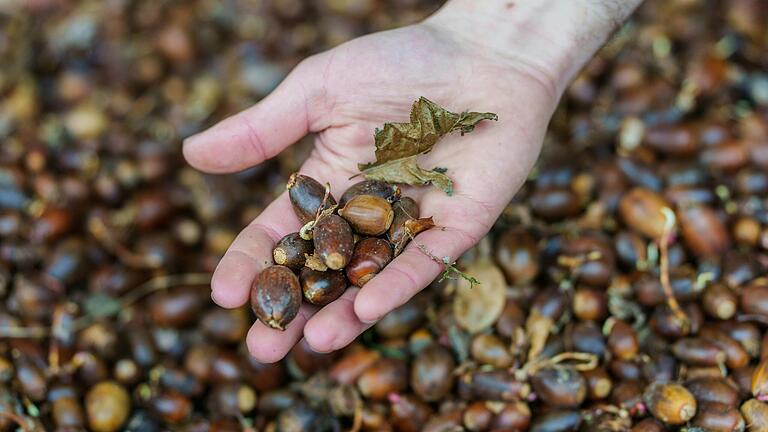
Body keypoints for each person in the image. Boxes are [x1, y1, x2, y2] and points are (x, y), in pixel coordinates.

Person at [182, 0, 644, 362]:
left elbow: (344, 235)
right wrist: (510, 42)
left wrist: (508, 48)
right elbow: (337, 239)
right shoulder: (334, 235)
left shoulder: (352, 224)